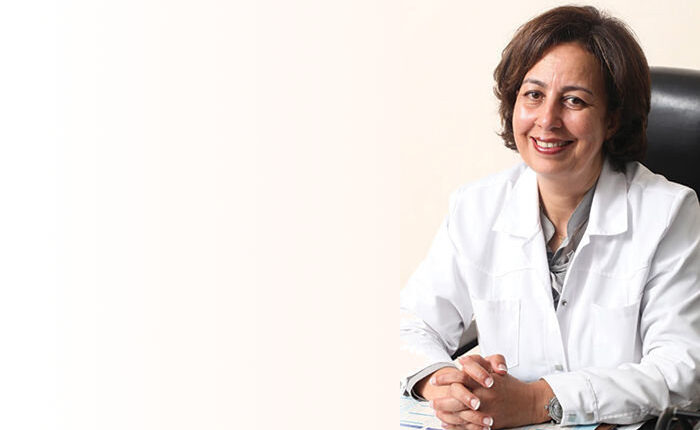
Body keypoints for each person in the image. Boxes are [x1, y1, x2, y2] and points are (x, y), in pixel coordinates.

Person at [400, 5, 700, 430]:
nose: (547, 120)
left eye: (574, 100)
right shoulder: (476, 206)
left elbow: (681, 369)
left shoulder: (669, 212)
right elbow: (410, 323)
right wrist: (443, 383)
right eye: (533, 95)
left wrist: (540, 400)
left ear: (612, 119)